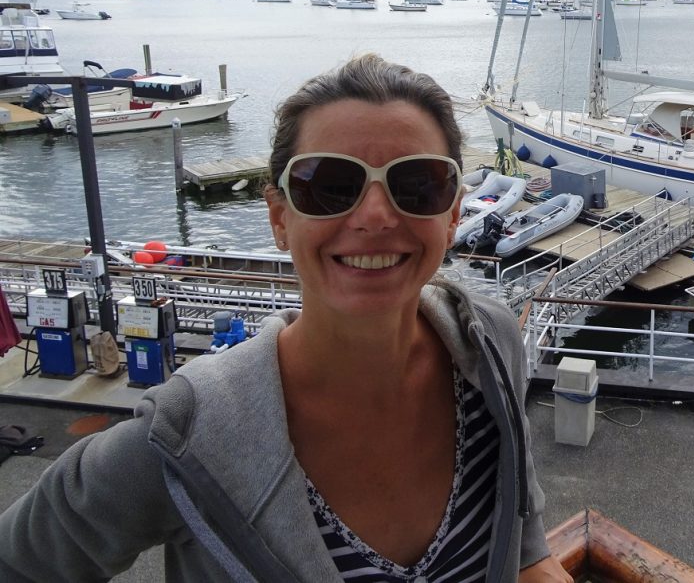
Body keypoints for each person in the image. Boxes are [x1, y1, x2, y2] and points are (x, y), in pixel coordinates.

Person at [0, 53, 571, 583]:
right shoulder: (187, 432)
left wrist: (530, 559)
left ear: (451, 216)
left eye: (417, 184)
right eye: (329, 186)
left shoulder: (490, 341)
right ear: (279, 217)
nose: (374, 215)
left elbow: (520, 515)